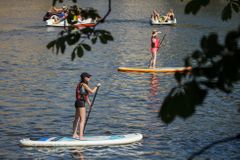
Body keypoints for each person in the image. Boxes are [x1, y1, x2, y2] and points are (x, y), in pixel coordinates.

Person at [72, 72, 101, 139]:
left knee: (76, 119)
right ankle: (81, 137)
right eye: (88, 77)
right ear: (84, 78)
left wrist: (89, 104)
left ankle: (74, 134)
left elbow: (85, 96)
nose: (89, 78)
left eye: (89, 77)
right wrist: (97, 86)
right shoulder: (84, 85)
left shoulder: (79, 84)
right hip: (81, 103)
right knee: (82, 120)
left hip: (77, 102)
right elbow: (92, 92)